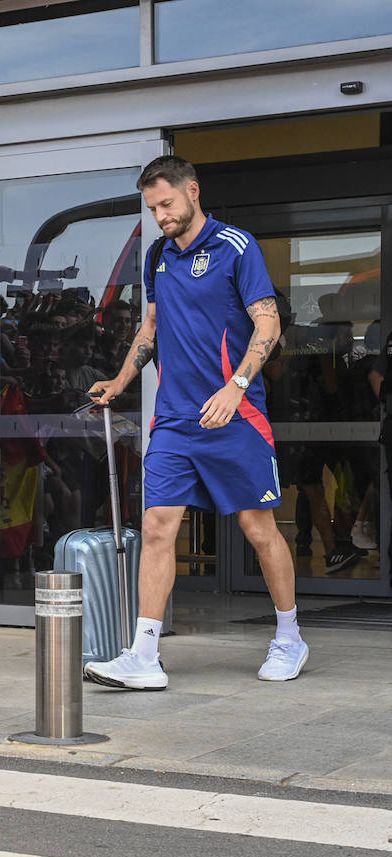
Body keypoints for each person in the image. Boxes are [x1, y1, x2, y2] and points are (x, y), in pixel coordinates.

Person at [87, 154, 304, 690]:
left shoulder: (236, 246)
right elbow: (151, 327)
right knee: (159, 527)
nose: (160, 216)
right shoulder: (158, 255)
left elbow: (268, 323)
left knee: (258, 529)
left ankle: (289, 637)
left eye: (166, 203)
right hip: (175, 421)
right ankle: (143, 655)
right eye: (152, 207)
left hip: (236, 416)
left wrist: (236, 388)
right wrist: (119, 382)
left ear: (192, 191)